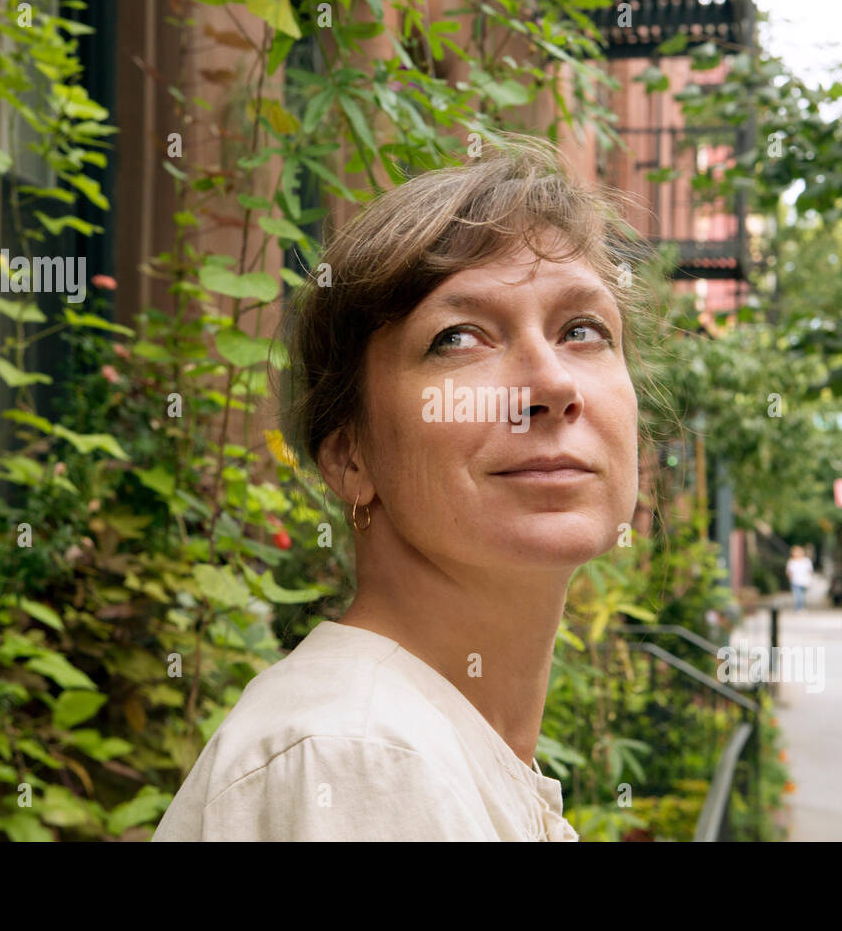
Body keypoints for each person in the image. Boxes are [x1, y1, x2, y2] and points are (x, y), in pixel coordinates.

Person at [152, 134, 648, 841]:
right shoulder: (362, 759)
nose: (552, 385)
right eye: (459, 338)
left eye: (584, 329)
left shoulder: (418, 740)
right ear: (351, 455)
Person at [786, 546, 813, 612]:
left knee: (802, 595)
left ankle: (801, 607)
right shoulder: (792, 561)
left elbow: (810, 570)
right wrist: (790, 578)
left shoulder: (806, 561)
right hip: (795, 581)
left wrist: (809, 578)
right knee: (798, 595)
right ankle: (798, 608)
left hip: (804, 581)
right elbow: (789, 571)